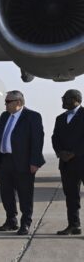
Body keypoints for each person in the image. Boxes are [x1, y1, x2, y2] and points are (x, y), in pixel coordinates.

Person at [0, 90, 45, 235]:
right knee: (6, 193)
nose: (5, 105)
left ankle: (25, 223)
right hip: (5, 160)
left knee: (25, 194)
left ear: (19, 103)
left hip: (24, 162)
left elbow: (37, 140)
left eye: (8, 102)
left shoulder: (32, 116)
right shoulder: (4, 116)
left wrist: (35, 162)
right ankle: (11, 221)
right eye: (6, 102)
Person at [52, 89, 84, 235]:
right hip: (66, 164)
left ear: (75, 99)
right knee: (71, 196)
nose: (62, 101)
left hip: (81, 160)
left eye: (65, 98)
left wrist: (74, 153)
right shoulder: (60, 118)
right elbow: (55, 138)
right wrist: (60, 152)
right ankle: (74, 225)